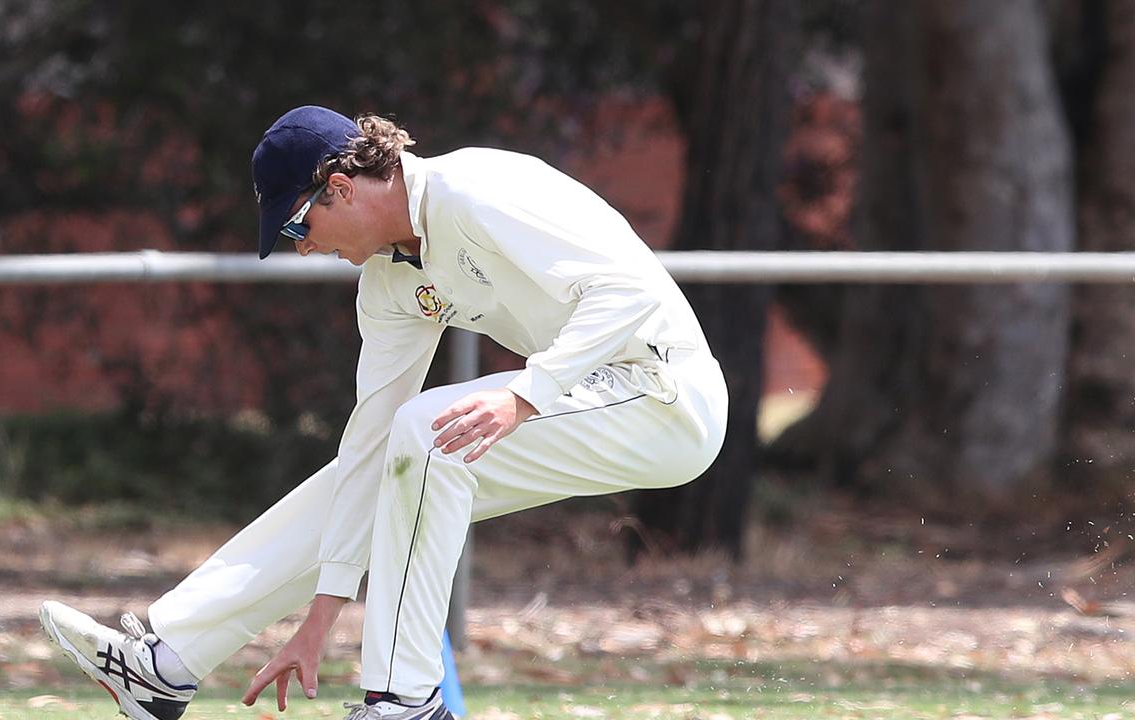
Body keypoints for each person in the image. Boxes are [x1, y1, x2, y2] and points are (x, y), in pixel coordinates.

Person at [39, 105, 728, 720]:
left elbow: (626, 293)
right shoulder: (390, 282)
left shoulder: (477, 189)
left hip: (667, 395)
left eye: (296, 224)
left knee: (426, 436)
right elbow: (370, 450)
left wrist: (525, 393)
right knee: (385, 459)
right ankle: (166, 664)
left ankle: (404, 701)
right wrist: (321, 615)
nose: (303, 246)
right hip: (582, 399)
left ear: (339, 187)